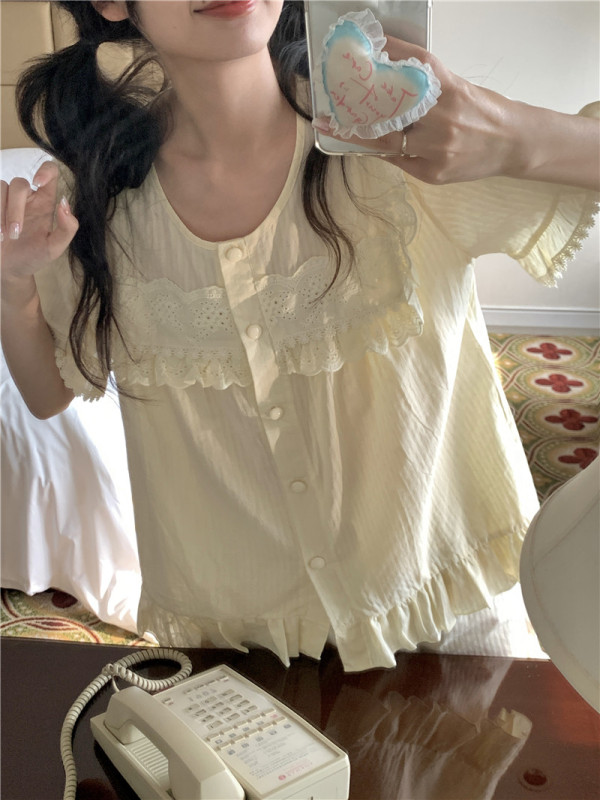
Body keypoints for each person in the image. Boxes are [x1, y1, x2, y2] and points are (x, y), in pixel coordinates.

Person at [1, 0, 598, 672]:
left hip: (456, 625)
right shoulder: (97, 196)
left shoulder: (395, 133)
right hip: (243, 649)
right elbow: (49, 393)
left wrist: (511, 135)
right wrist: (13, 286)